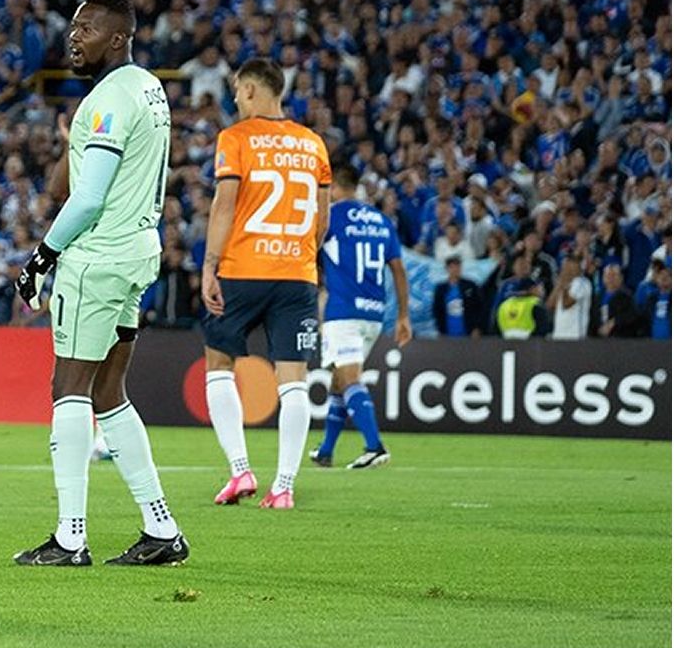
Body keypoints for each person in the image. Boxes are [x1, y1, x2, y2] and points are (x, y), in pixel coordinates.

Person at [11, 0, 186, 568]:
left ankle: (70, 537)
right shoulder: (148, 87)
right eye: (72, 27)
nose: (73, 37)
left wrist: (41, 257)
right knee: (110, 394)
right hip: (139, 250)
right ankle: (161, 529)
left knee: (69, 388)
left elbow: (84, 197)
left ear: (118, 38)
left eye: (86, 29)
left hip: (100, 257)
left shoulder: (106, 100)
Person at [200, 57, 332, 510]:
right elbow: (322, 218)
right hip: (296, 275)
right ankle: (284, 487)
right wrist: (300, 256)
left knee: (218, 364)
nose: (235, 98)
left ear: (253, 90)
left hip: (241, 269)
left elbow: (224, 206)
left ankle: (240, 471)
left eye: (238, 90)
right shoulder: (313, 145)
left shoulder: (235, 139)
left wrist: (209, 266)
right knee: (293, 378)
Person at [313, 165, 411, 469]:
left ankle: (375, 446)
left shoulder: (330, 217)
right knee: (339, 379)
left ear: (335, 185)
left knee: (349, 378)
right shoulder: (381, 221)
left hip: (343, 311)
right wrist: (403, 316)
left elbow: (309, 251)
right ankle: (326, 450)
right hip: (374, 312)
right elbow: (397, 268)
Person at [433, 258, 488, 337]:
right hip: (448, 331)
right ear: (447, 269)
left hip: (467, 330)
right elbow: (437, 310)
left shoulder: (470, 285)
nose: (455, 270)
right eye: (452, 267)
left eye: (457, 267)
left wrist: (477, 327)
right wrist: (440, 329)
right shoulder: (441, 288)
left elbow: (479, 307)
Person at [546, 255, 594, 341]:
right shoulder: (564, 284)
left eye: (570, 268)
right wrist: (559, 284)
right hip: (559, 334)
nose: (567, 271)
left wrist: (563, 286)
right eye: (565, 267)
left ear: (578, 268)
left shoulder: (582, 283)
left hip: (575, 336)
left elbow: (567, 304)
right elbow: (550, 305)